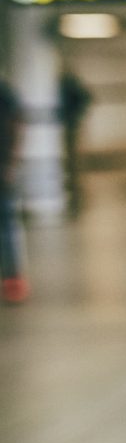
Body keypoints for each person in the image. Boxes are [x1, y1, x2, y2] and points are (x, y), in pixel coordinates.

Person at [1, 75, 24, 304]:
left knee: (6, 225)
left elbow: (15, 126)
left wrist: (10, 163)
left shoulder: (4, 93)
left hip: (2, 169)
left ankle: (13, 278)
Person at [57, 68, 89, 212]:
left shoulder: (70, 89)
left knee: (73, 156)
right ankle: (73, 181)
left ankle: (75, 182)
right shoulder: (71, 88)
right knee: (72, 156)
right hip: (72, 123)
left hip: (72, 124)